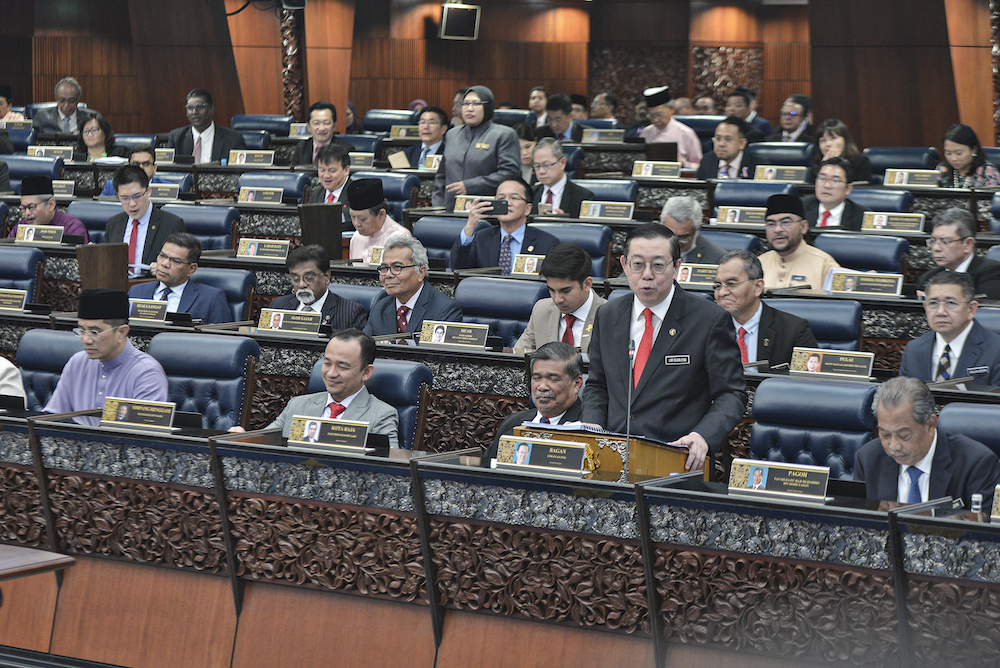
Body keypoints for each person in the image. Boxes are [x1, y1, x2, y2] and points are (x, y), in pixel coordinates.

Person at [582, 224, 747, 474]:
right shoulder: (608, 315)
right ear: (625, 264)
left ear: (676, 267)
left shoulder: (708, 320)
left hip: (677, 457)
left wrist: (702, 436)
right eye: (638, 265)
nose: (647, 275)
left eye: (658, 265)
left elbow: (731, 394)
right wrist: (592, 427)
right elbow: (597, 384)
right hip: (610, 458)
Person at [854, 376, 1000, 509]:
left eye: (904, 436)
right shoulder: (868, 459)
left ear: (930, 424)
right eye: (885, 435)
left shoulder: (976, 464)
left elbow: (981, 532)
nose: (893, 446)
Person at [244, 329, 400, 447]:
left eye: (342, 367)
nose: (331, 373)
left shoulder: (381, 415)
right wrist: (241, 438)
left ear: (366, 372)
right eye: (327, 363)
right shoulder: (298, 405)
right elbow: (262, 441)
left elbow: (389, 467)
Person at [44, 289, 169, 413]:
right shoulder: (77, 363)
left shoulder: (146, 373)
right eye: (81, 331)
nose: (86, 340)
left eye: (95, 332)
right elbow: (51, 417)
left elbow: (144, 430)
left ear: (121, 332)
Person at [714, 250, 817, 370]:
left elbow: (809, 382)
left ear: (758, 287)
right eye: (718, 286)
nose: (722, 293)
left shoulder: (794, 330)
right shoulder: (708, 328)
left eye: (731, 283)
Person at [486, 342, 585, 463]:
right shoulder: (513, 423)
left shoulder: (586, 428)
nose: (542, 387)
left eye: (553, 379)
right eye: (536, 378)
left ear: (577, 384)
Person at [900, 271, 1000, 388]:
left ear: (971, 309)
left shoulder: (996, 350)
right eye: (933, 303)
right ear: (925, 307)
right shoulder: (914, 350)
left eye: (951, 303)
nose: (940, 312)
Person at [433, 85, 521, 211]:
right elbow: (442, 176)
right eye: (465, 104)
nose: (469, 108)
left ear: (488, 106)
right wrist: (438, 206)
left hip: (486, 209)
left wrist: (470, 186)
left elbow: (509, 174)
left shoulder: (503, 135)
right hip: (450, 209)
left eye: (476, 104)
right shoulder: (452, 134)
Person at [451, 177, 560, 274]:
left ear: (528, 209)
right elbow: (458, 269)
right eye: (501, 198)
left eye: (514, 198)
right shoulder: (481, 238)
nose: (507, 203)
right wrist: (470, 225)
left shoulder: (547, 243)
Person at [516, 243, 607, 353]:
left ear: (587, 284)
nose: (558, 299)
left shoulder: (610, 316)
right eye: (552, 290)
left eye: (565, 291)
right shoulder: (541, 310)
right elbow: (518, 357)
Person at [364, 237, 463, 337]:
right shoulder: (380, 307)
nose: (388, 275)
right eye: (384, 268)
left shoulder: (445, 310)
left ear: (421, 272)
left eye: (397, 267)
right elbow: (364, 348)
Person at [127, 233, 231, 324]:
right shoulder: (136, 291)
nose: (164, 264)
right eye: (162, 256)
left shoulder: (211, 299)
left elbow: (222, 341)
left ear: (191, 269)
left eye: (175, 261)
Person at [104, 165, 186, 276]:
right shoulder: (114, 223)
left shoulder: (172, 224)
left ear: (148, 191)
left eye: (137, 196)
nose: (132, 204)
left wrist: (163, 268)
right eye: (124, 198)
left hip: (151, 286)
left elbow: (182, 267)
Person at [268, 245, 368, 331]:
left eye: (309, 278)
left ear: (326, 277)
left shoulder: (350, 313)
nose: (302, 285)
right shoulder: (278, 305)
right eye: (296, 278)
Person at [758, 194, 840, 290]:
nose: (777, 229)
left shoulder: (824, 265)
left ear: (803, 227)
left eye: (786, 223)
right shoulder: (758, 264)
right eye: (771, 224)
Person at [916, 208, 1000, 299]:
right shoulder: (928, 278)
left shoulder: (992, 272)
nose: (936, 248)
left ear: (968, 244)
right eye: (933, 241)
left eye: (945, 241)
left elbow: (984, 310)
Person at [166, 89, 246, 163]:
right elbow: (167, 170)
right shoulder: (177, 137)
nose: (194, 112)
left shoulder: (233, 139)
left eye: (200, 107)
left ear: (211, 109)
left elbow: (239, 172)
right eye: (190, 108)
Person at [347, 178, 411, 265]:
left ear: (381, 214)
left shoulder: (400, 238)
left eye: (362, 219)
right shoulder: (357, 237)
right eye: (353, 217)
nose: (356, 224)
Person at [8, 176, 89, 242]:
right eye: (23, 208)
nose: (27, 213)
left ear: (51, 205)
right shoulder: (21, 228)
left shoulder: (72, 228)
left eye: (31, 207)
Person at [638, 86, 702, 170]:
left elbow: (699, 166)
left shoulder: (685, 133)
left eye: (659, 114)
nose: (656, 119)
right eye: (651, 115)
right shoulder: (645, 133)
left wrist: (683, 163)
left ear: (671, 109)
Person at [530, 138, 594, 218]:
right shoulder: (529, 194)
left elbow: (585, 229)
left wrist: (564, 223)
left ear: (562, 163)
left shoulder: (583, 197)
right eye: (537, 166)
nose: (541, 171)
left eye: (546, 165)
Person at [802, 157, 869, 230]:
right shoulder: (801, 207)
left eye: (835, 180)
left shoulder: (862, 217)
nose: (827, 185)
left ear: (848, 189)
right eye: (822, 178)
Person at [660, 196, 725, 264]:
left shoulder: (717, 260)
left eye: (682, 237)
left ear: (698, 229)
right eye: (669, 234)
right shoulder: (648, 248)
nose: (675, 242)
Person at [937, 123, 1000, 188]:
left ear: (974, 150)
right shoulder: (942, 169)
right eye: (948, 153)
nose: (953, 159)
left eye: (959, 153)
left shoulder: (987, 172)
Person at [809, 119, 872, 184]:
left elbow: (859, 190)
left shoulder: (861, 162)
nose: (827, 144)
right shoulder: (815, 163)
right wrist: (824, 166)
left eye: (833, 138)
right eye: (823, 140)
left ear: (845, 141)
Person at [307, 143, 352, 227]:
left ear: (346, 170)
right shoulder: (316, 194)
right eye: (322, 170)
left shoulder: (355, 193)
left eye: (332, 171)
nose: (326, 175)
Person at [99, 146, 169, 197]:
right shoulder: (111, 186)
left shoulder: (167, 188)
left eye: (146, 164)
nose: (140, 168)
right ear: (128, 166)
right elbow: (101, 210)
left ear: (155, 168)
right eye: (136, 164)